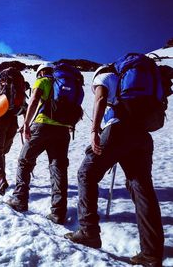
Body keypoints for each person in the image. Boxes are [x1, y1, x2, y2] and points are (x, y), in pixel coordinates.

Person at [64, 65, 164, 266]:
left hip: (118, 129)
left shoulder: (105, 76)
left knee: (86, 173)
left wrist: (94, 131)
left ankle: (88, 231)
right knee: (141, 187)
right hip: (143, 136)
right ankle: (152, 252)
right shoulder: (142, 83)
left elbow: (100, 97)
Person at [6, 62, 71, 225]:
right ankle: (58, 212)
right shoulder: (64, 84)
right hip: (63, 131)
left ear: (41, 72)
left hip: (42, 126)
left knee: (24, 161)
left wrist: (26, 123)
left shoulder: (43, 80)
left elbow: (34, 99)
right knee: (58, 169)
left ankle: (19, 199)